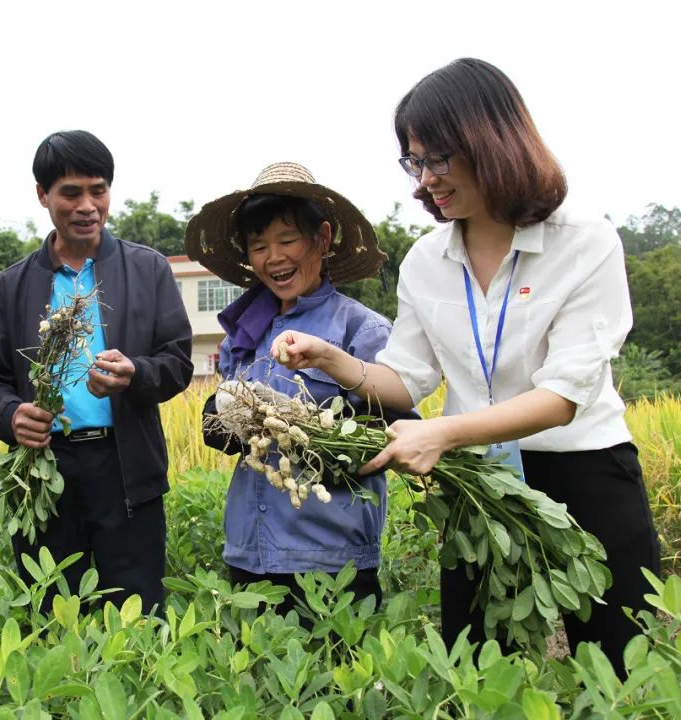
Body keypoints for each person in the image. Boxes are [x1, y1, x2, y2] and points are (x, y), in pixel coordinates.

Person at [273, 58, 660, 675]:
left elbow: (563, 396)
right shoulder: (427, 260)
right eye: (414, 163)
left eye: (438, 160)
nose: (424, 181)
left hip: (585, 471)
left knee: (617, 661)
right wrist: (333, 360)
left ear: (492, 141)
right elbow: (405, 378)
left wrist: (442, 432)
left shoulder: (584, 243)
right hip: (479, 486)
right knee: (479, 664)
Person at [0, 130, 193, 613]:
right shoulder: (11, 286)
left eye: (98, 190)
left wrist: (135, 372)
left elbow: (178, 362)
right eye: (70, 193)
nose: (87, 205)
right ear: (43, 196)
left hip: (126, 467)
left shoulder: (149, 269)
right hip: (45, 470)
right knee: (54, 612)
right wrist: (11, 415)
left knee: (136, 611)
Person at [187, 161, 412, 620]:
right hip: (250, 553)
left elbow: (395, 433)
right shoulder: (243, 334)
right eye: (259, 246)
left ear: (322, 239)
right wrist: (225, 418)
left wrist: (310, 433)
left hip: (330, 557)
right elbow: (233, 436)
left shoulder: (361, 330)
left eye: (287, 240)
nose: (274, 257)